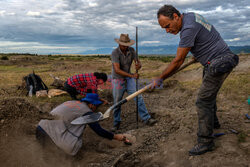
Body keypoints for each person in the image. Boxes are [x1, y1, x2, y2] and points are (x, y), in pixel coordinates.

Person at [152, 5, 239, 156]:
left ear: (176, 16)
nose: (167, 30)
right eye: (163, 28)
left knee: (203, 101)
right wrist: (199, 53)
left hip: (219, 62)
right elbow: (205, 37)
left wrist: (160, 78)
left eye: (167, 26)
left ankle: (206, 141)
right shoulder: (191, 16)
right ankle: (213, 123)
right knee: (208, 96)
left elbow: (178, 61)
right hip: (219, 58)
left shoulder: (187, 28)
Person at [36, 93, 130, 156]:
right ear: (92, 105)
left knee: (47, 155)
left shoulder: (71, 102)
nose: (96, 109)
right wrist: (116, 136)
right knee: (67, 151)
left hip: (40, 129)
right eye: (96, 106)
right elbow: (99, 131)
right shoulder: (86, 111)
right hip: (52, 137)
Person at [111, 33, 157, 132]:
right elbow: (117, 70)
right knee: (117, 102)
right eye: (123, 45)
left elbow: (138, 62)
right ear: (119, 44)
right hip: (118, 79)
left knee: (138, 97)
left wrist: (138, 65)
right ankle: (116, 123)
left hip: (129, 78)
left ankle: (146, 118)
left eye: (127, 45)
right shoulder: (115, 53)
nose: (125, 47)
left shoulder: (132, 50)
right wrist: (132, 75)